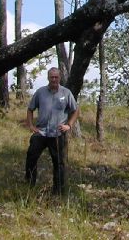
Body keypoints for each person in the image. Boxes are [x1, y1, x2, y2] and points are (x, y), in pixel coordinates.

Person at [25, 67, 79, 195]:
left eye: (56, 77)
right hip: (41, 132)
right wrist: (31, 126)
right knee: (31, 157)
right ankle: (29, 184)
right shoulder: (40, 92)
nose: (54, 79)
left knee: (59, 163)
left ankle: (58, 191)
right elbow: (30, 109)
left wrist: (69, 125)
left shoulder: (66, 93)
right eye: (51, 77)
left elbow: (75, 110)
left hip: (58, 134)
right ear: (48, 78)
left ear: (59, 78)